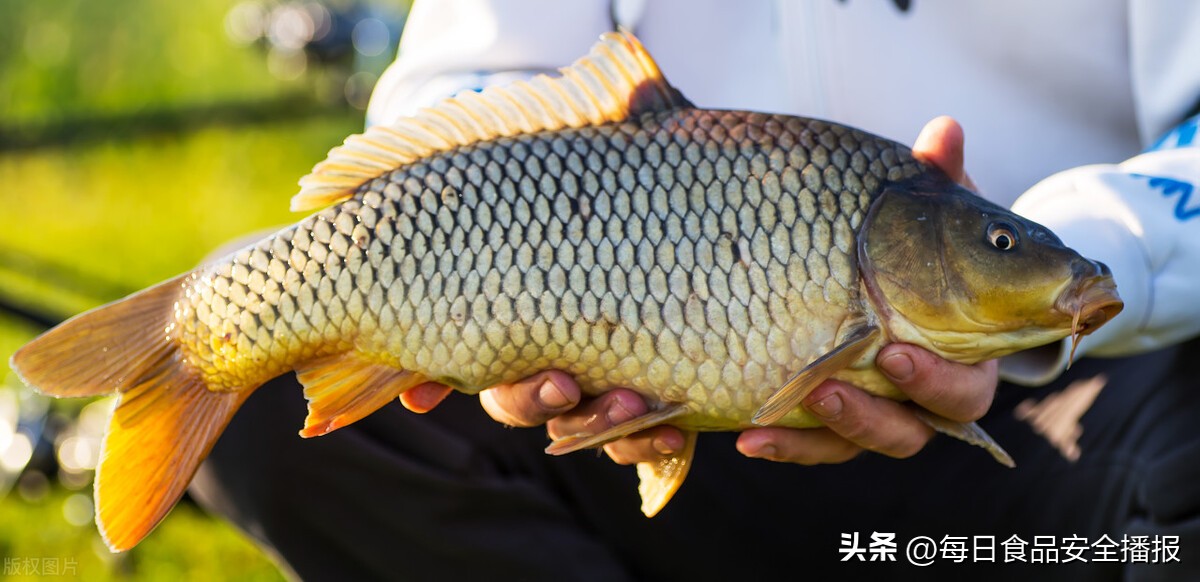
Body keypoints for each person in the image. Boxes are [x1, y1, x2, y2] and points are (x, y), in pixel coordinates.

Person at [190, 1, 1200, 579]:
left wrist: (1082, 250)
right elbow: (469, 73)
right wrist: (482, 300)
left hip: (1071, 396)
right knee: (257, 408)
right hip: (659, 407)